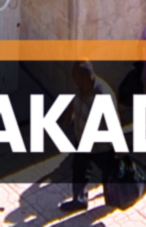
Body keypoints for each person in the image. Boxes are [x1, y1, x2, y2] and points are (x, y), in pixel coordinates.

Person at [59, 60, 113, 213]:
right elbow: (75, 98)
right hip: (82, 139)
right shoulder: (81, 86)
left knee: (110, 171)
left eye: (76, 78)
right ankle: (79, 199)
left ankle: (116, 195)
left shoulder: (103, 96)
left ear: (86, 77)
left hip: (100, 145)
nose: (74, 81)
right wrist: (69, 113)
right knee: (79, 168)